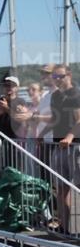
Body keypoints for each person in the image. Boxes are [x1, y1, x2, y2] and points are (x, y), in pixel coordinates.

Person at [48, 65, 80, 233]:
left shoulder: (75, 94)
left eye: (60, 76)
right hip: (58, 146)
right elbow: (54, 118)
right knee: (61, 189)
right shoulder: (55, 96)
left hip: (75, 146)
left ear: (69, 75)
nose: (57, 80)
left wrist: (69, 136)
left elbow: (79, 120)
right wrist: (41, 132)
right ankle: (64, 227)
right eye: (55, 77)